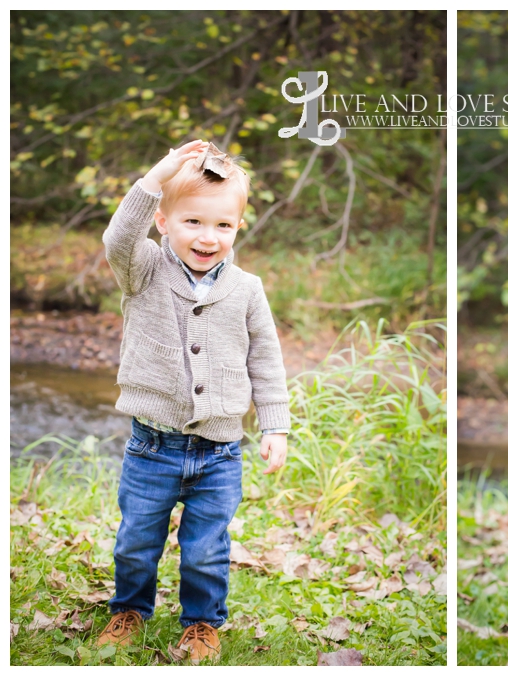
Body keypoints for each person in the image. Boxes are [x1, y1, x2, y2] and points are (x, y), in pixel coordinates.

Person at [96, 140, 291, 663]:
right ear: (162, 221)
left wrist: (275, 426)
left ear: (238, 228)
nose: (208, 238)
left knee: (207, 549)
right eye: (193, 222)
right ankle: (130, 609)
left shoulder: (248, 290)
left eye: (222, 226)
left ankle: (202, 624)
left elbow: (266, 362)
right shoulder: (144, 271)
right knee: (137, 539)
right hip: (152, 447)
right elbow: (117, 237)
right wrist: (160, 172)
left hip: (220, 451)